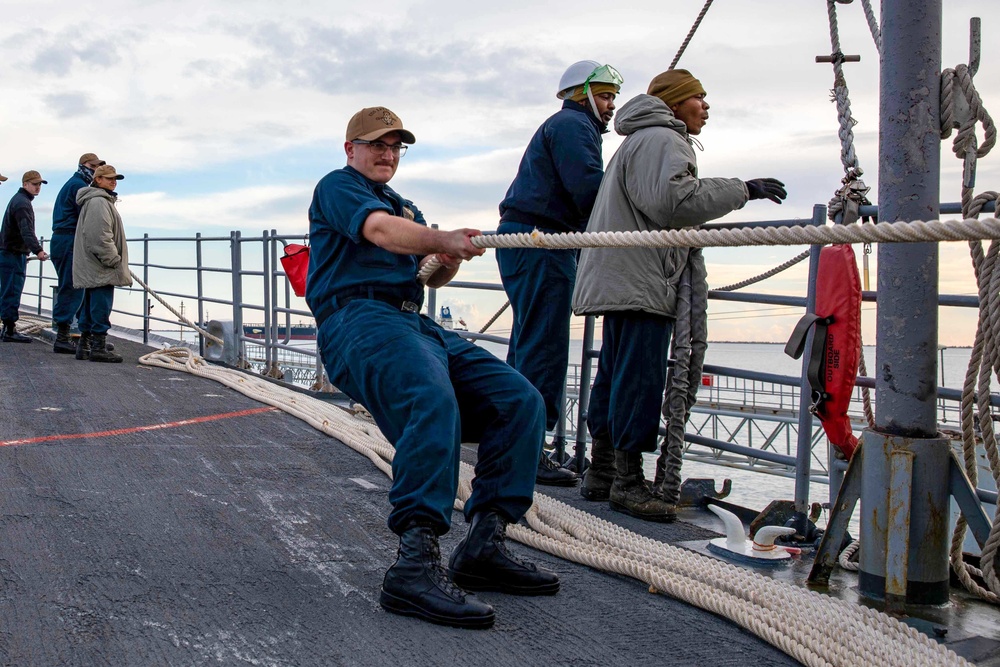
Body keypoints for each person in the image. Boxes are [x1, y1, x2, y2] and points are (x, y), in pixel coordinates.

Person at [307, 106, 558, 630]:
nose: (387, 154)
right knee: (430, 396)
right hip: (358, 319)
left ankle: (485, 544)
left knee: (520, 402)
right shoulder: (338, 187)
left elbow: (426, 278)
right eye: (377, 144)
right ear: (350, 149)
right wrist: (442, 239)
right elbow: (378, 232)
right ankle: (414, 565)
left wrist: (442, 262)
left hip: (409, 320)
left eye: (396, 146)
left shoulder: (404, 206)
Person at [572, 69, 787, 521]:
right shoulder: (663, 139)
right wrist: (743, 190)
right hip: (641, 277)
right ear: (675, 103)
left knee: (615, 374)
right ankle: (627, 484)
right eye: (699, 99)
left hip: (623, 274)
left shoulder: (640, 139)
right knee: (638, 380)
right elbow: (673, 202)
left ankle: (603, 472)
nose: (706, 107)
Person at [497, 61, 622, 488]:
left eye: (612, 97)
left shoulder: (564, 125)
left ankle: (511, 440)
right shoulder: (573, 126)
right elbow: (589, 189)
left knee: (529, 342)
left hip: (533, 240)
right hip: (542, 242)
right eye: (604, 96)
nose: (610, 106)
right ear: (581, 94)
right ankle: (529, 452)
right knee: (544, 347)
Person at [73, 164, 131, 363]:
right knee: (100, 304)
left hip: (92, 264)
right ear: (98, 180)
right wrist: (113, 259)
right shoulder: (99, 202)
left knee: (90, 303)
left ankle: (85, 344)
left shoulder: (98, 200)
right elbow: (99, 237)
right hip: (101, 265)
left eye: (115, 178)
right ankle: (97, 346)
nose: (113, 182)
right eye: (109, 178)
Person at [51, 152, 106, 353]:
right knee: (72, 286)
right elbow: (87, 218)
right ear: (84, 165)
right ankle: (62, 336)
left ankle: (82, 337)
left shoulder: (74, 184)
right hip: (69, 239)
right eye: (93, 167)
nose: (95, 171)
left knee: (78, 286)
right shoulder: (78, 186)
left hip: (65, 239)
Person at [0, 171, 50, 342]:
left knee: (8, 290)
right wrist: (38, 250)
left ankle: (7, 328)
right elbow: (26, 231)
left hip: (9, 252)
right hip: (13, 254)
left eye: (40, 184)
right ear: (25, 184)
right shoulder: (22, 203)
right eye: (34, 184)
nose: (38, 187)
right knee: (12, 291)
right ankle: (9, 330)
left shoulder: (19, 200)